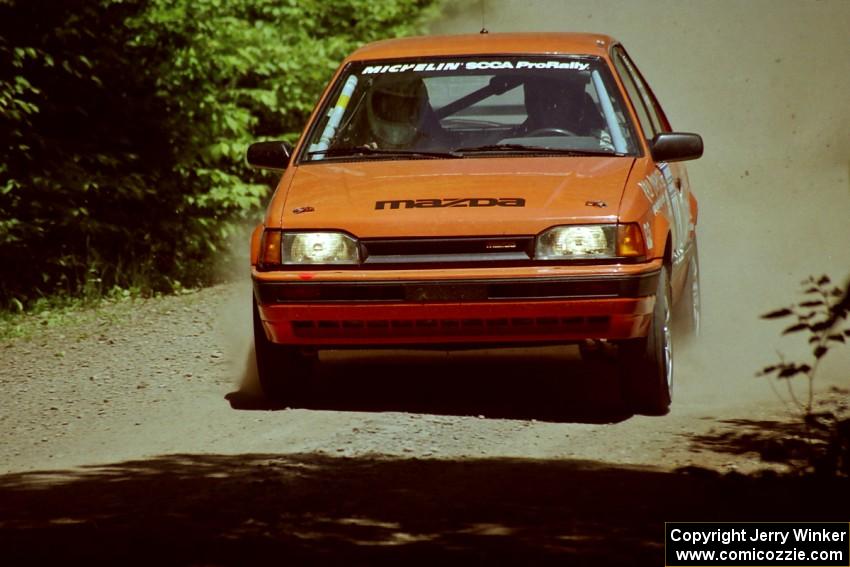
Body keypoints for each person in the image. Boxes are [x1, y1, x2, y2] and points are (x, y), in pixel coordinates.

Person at [366, 74, 444, 149]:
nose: (396, 108)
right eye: (389, 100)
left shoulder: (432, 148)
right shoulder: (360, 148)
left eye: (405, 101)